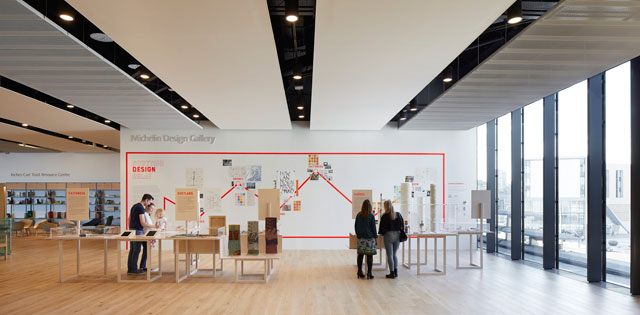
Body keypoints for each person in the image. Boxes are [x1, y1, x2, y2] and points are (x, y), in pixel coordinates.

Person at [127, 194, 154, 275]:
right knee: (136, 250)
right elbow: (142, 222)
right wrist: (154, 226)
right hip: (138, 230)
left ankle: (131, 269)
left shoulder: (134, 206)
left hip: (132, 230)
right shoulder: (141, 208)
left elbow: (129, 219)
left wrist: (130, 228)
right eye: (149, 202)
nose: (149, 204)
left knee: (132, 250)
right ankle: (134, 270)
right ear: (146, 200)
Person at [379, 200, 404, 279]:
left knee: (389, 255)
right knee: (394, 254)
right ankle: (396, 272)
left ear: (385, 206)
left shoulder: (384, 216)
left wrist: (382, 233)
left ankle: (392, 272)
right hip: (397, 235)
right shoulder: (398, 214)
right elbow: (402, 226)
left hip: (388, 236)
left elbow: (381, 229)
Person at [354, 199, 377, 280]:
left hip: (361, 239)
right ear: (370, 207)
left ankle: (359, 271)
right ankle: (369, 273)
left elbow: (356, 227)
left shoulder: (358, 215)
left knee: (360, 255)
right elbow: (374, 229)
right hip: (369, 239)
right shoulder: (371, 216)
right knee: (369, 256)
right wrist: (375, 237)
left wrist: (358, 235)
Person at [139, 203, 156, 271]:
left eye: (153, 209)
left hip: (148, 234)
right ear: (147, 207)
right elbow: (146, 225)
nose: (152, 210)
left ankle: (143, 266)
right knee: (146, 251)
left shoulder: (147, 215)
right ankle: (142, 266)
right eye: (151, 208)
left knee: (146, 251)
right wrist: (155, 227)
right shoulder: (145, 214)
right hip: (145, 235)